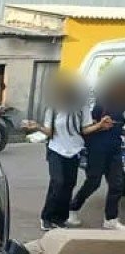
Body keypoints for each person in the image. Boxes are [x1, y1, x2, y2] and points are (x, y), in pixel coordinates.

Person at [28, 74, 113, 231]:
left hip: (74, 152)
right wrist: (37, 127)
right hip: (56, 150)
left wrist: (100, 125)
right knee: (58, 182)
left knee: (68, 185)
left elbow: (84, 129)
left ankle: (60, 218)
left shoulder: (82, 108)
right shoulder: (53, 108)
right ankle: (47, 217)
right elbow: (50, 132)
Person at [69, 67, 125, 230]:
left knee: (117, 184)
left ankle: (110, 219)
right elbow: (88, 124)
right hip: (98, 148)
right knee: (93, 182)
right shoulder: (102, 102)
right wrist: (101, 124)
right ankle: (73, 209)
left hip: (115, 148)